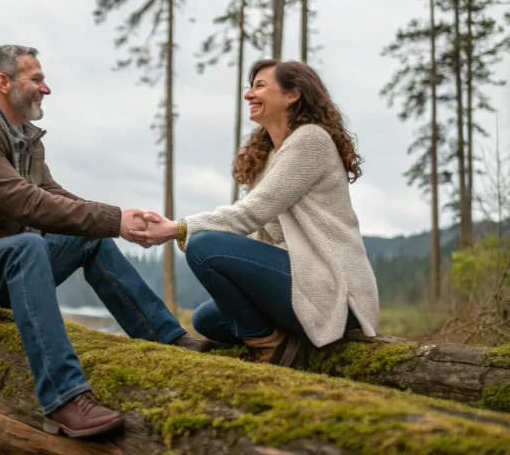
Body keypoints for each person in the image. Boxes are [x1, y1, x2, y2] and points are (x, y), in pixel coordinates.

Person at [0, 44, 210, 440]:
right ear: (3, 82)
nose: (46, 89)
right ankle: (64, 400)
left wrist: (119, 220)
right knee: (27, 246)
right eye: (37, 79)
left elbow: (53, 194)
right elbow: (28, 203)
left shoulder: (25, 140)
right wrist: (115, 220)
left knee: (87, 239)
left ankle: (165, 337)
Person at [130, 59, 379, 368]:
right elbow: (254, 231)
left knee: (204, 246)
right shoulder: (275, 153)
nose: (249, 94)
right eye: (250, 86)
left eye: (260, 85)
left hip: (335, 290)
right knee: (207, 319)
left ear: (293, 95)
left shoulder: (310, 140)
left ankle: (271, 348)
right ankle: (284, 338)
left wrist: (177, 228)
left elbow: (250, 213)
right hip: (302, 279)